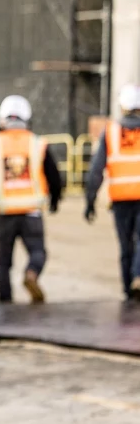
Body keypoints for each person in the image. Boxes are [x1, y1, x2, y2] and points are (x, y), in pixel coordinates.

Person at [0, 95, 62, 304]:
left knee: (3, 263)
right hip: (31, 212)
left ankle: (5, 303)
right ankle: (31, 273)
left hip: (2, 214)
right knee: (38, 252)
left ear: (2, 119)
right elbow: (54, 176)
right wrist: (55, 199)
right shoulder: (37, 143)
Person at [85, 83, 140, 301]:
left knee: (125, 245)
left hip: (120, 199)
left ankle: (128, 289)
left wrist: (90, 200)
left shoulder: (111, 132)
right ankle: (138, 276)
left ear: (122, 106)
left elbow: (96, 170)